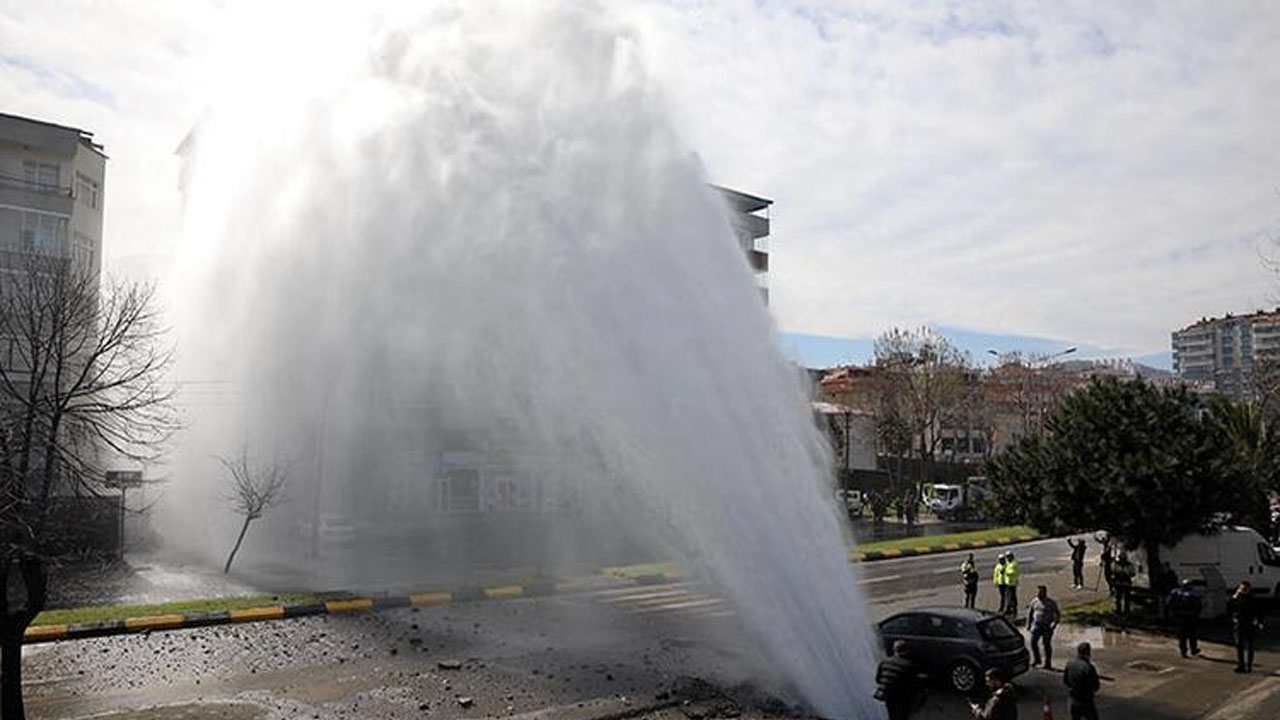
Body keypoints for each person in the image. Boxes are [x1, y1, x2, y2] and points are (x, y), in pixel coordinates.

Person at [875, 640, 922, 720]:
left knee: (892, 714)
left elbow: (878, 679)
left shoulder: (884, 662)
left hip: (887, 694)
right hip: (900, 696)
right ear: (906, 650)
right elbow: (912, 684)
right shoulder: (909, 665)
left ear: (894, 650)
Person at [1228, 581, 1262, 673]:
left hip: (1249, 624)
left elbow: (1259, 612)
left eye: (1245, 589)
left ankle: (1249, 665)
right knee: (1239, 645)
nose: (1243, 591)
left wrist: (1259, 622)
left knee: (1250, 645)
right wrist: (1234, 596)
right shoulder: (1236, 599)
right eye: (1241, 589)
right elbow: (1230, 608)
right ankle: (1241, 665)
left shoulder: (1252, 600)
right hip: (1239, 624)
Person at [1062, 642, 1101, 720]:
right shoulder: (1089, 668)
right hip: (1086, 701)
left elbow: (1065, 681)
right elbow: (1096, 686)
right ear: (1088, 653)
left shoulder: (1069, 664)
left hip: (1073, 699)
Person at [1165, 579, 1202, 658]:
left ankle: (1183, 651)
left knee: (1182, 635)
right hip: (1191, 616)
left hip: (1179, 616)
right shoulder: (1194, 593)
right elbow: (1198, 605)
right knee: (1192, 634)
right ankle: (1193, 650)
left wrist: (1173, 612)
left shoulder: (1175, 592)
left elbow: (1168, 602)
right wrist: (1196, 614)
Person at [1027, 585, 1061, 669]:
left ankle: (1048, 663)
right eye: (1038, 592)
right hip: (1036, 625)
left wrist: (1054, 623)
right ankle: (1037, 659)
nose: (1039, 593)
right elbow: (1030, 613)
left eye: (1041, 592)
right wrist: (1028, 624)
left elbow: (1057, 613)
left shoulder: (1051, 603)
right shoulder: (1034, 601)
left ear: (1045, 592)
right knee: (1033, 642)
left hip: (1047, 626)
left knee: (1046, 645)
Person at [1004, 552, 1021, 617]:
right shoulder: (1008, 563)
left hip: (1012, 583)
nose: (1007, 558)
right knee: (1008, 597)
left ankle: (1014, 610)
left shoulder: (1014, 564)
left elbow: (1014, 572)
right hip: (1008, 582)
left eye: (1008, 557)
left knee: (1012, 597)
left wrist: (1006, 572)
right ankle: (1008, 609)